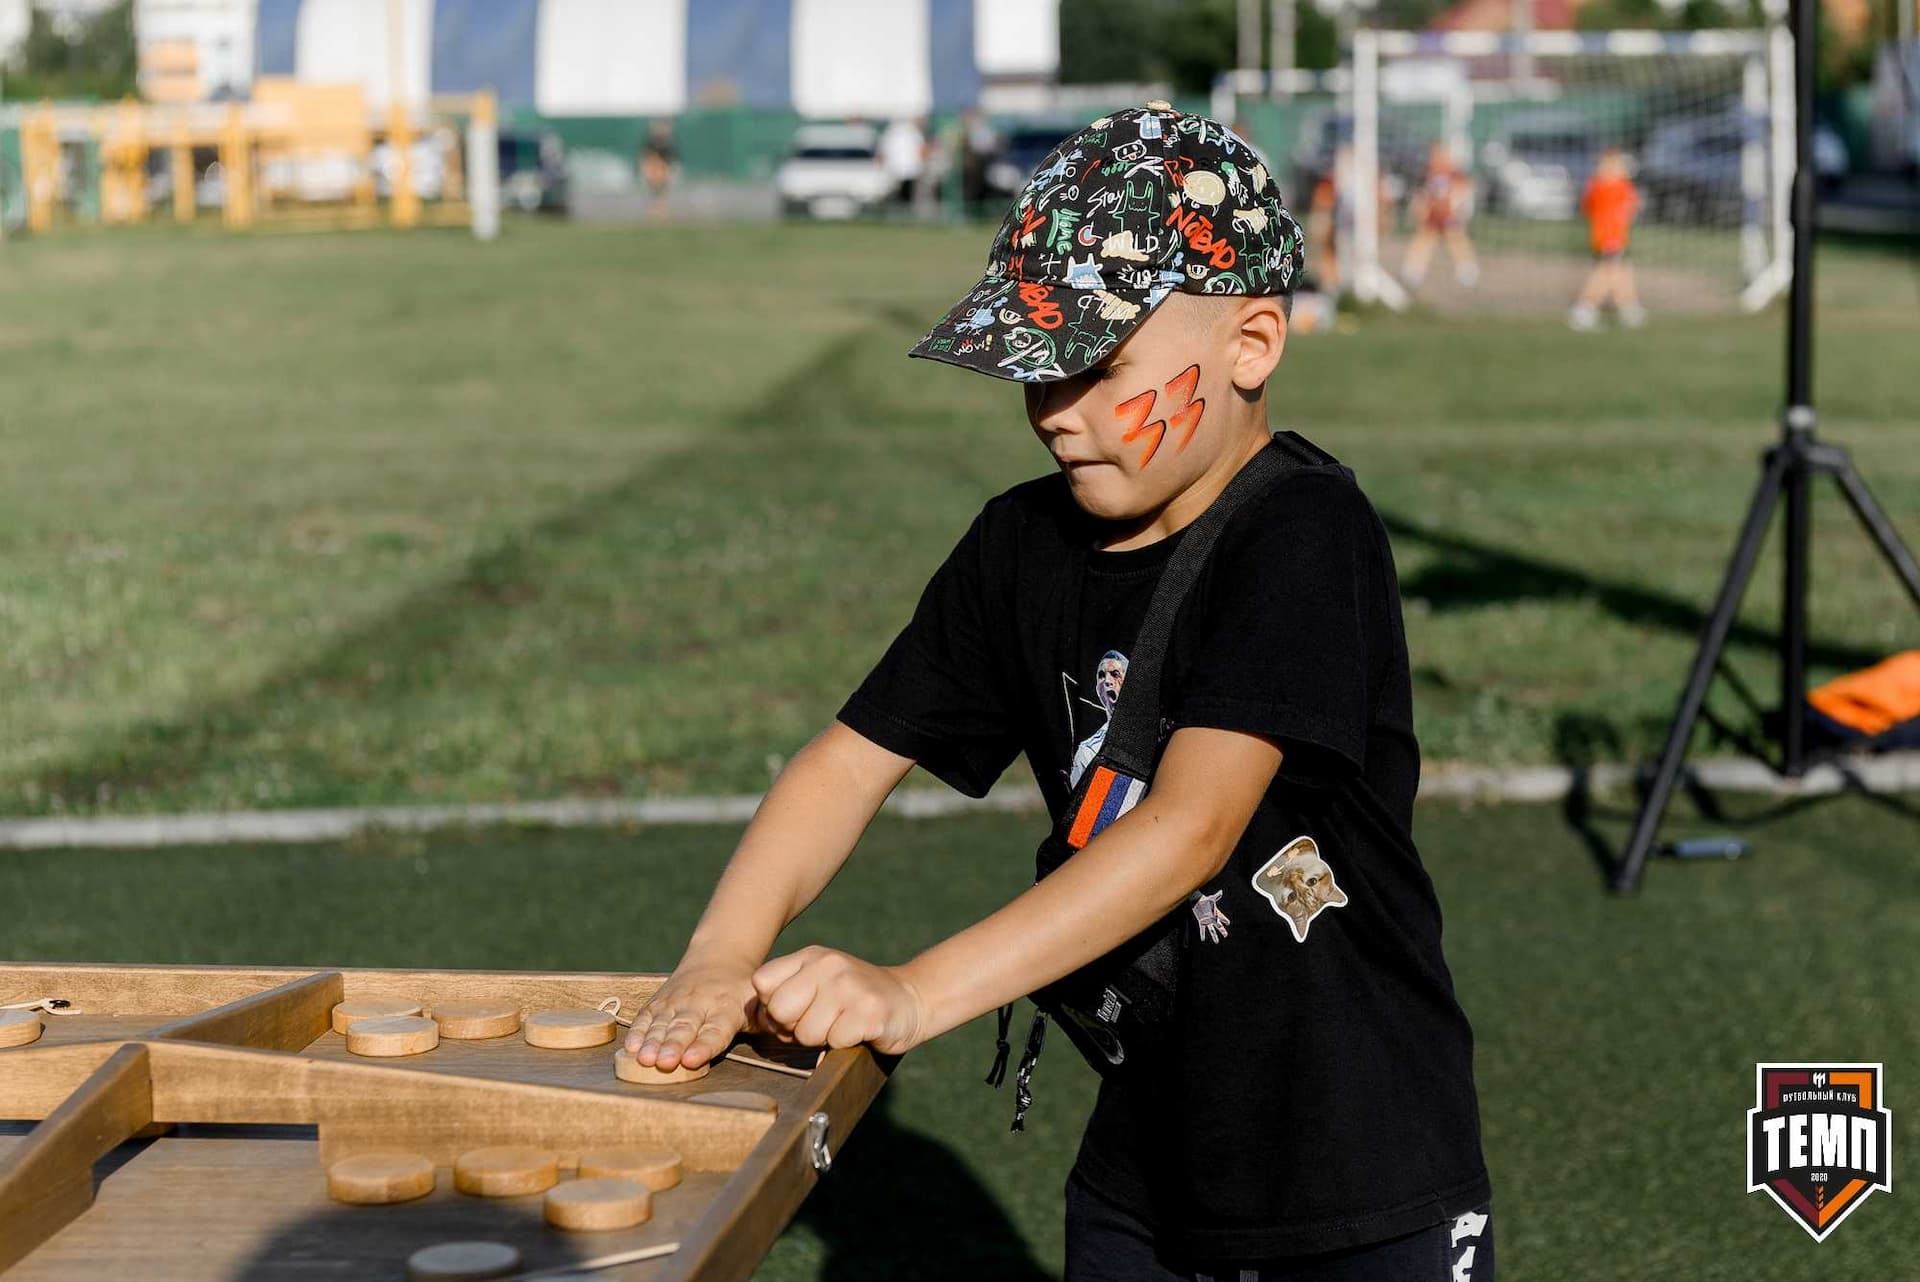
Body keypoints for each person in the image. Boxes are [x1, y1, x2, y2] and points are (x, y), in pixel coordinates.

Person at [622, 101, 1495, 1281]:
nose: (1053, 411)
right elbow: (846, 760)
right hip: (1145, 1171)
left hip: (1358, 1172)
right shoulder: (1018, 547)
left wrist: (911, 995)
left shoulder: (1304, 534)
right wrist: (722, 952)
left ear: (1252, 344)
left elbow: (1192, 830)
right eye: (1033, 366)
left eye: (1096, 366)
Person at [1569, 145, 1645, 330]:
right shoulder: (1603, 186)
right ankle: (1585, 307)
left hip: (1615, 236)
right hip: (1608, 237)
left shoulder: (1615, 185)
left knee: (1620, 271)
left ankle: (1629, 307)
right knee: (1607, 273)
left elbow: (1632, 205)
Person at [1401, 139, 1480, 289]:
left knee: (1456, 239)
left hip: (1449, 213)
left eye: (1438, 152)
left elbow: (1464, 188)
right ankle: (1414, 270)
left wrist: (1460, 207)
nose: (1434, 156)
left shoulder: (1453, 172)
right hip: (1433, 214)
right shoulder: (1429, 171)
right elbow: (1424, 193)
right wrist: (1420, 205)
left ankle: (1467, 269)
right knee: (1424, 240)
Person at [880, 115, 927, 211]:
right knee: (905, 195)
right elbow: (922, 150)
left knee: (903, 195)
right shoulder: (912, 132)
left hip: (901, 169)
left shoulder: (893, 132)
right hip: (908, 169)